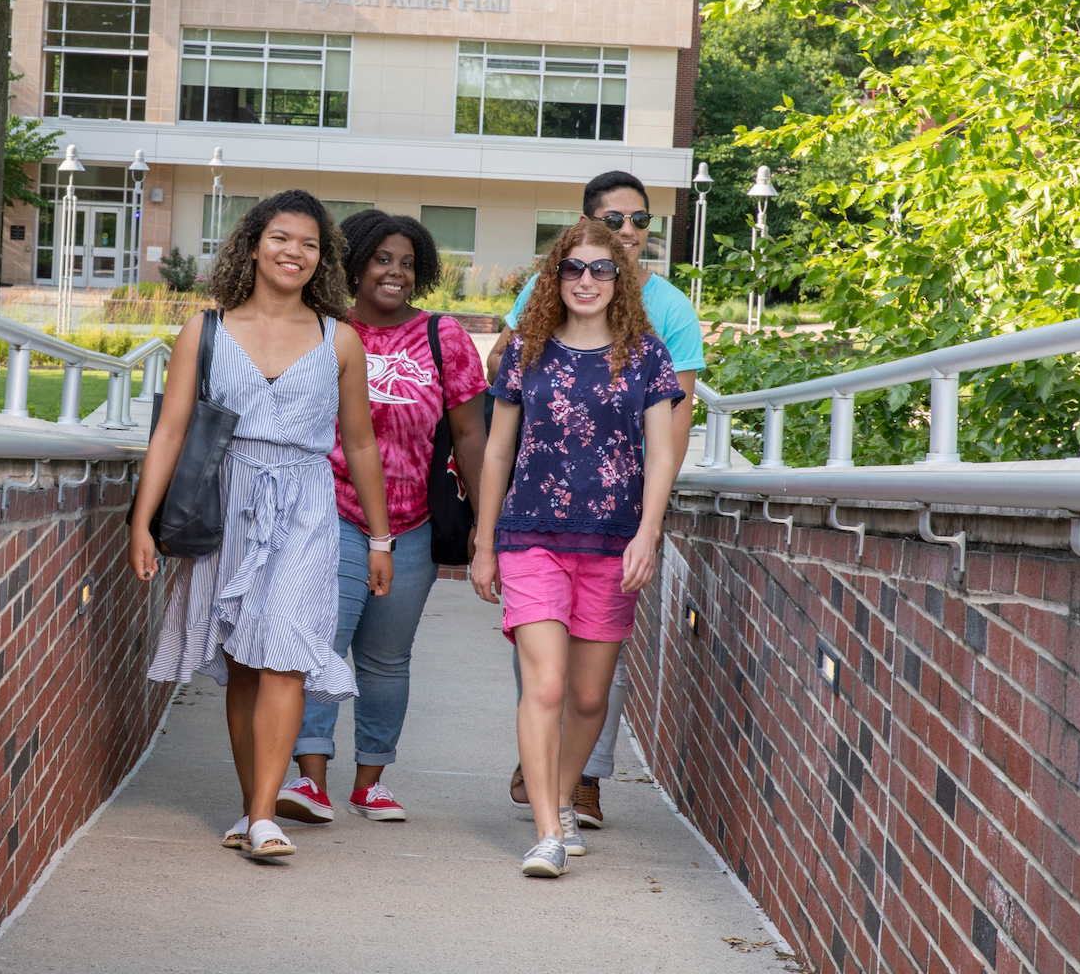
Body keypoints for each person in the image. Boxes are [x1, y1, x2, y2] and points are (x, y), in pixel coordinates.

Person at [132, 189, 393, 861]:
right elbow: (169, 432)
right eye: (282, 238)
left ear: (321, 258)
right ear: (254, 244)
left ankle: (262, 817)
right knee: (244, 665)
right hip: (227, 502)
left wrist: (381, 537)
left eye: (309, 243)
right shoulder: (206, 330)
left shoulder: (340, 339)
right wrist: (142, 524)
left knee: (283, 658)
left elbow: (360, 444)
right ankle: (255, 811)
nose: (294, 252)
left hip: (306, 508)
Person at [485, 170, 704, 830]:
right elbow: (499, 440)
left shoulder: (651, 349)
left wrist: (649, 529)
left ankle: (562, 787)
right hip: (532, 533)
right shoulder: (528, 344)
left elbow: (668, 441)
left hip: (612, 535)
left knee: (587, 696)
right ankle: (552, 823)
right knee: (546, 683)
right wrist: (483, 539)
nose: (588, 277)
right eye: (575, 266)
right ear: (557, 272)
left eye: (603, 269)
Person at [273, 211, 489, 825]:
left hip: (414, 521)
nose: (394, 272)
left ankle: (371, 780)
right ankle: (310, 780)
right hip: (331, 512)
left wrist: (483, 520)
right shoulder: (323, 329)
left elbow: (472, 435)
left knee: (388, 658)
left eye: (406, 262)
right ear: (356, 263)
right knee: (321, 645)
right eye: (381, 259)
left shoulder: (444, 337)